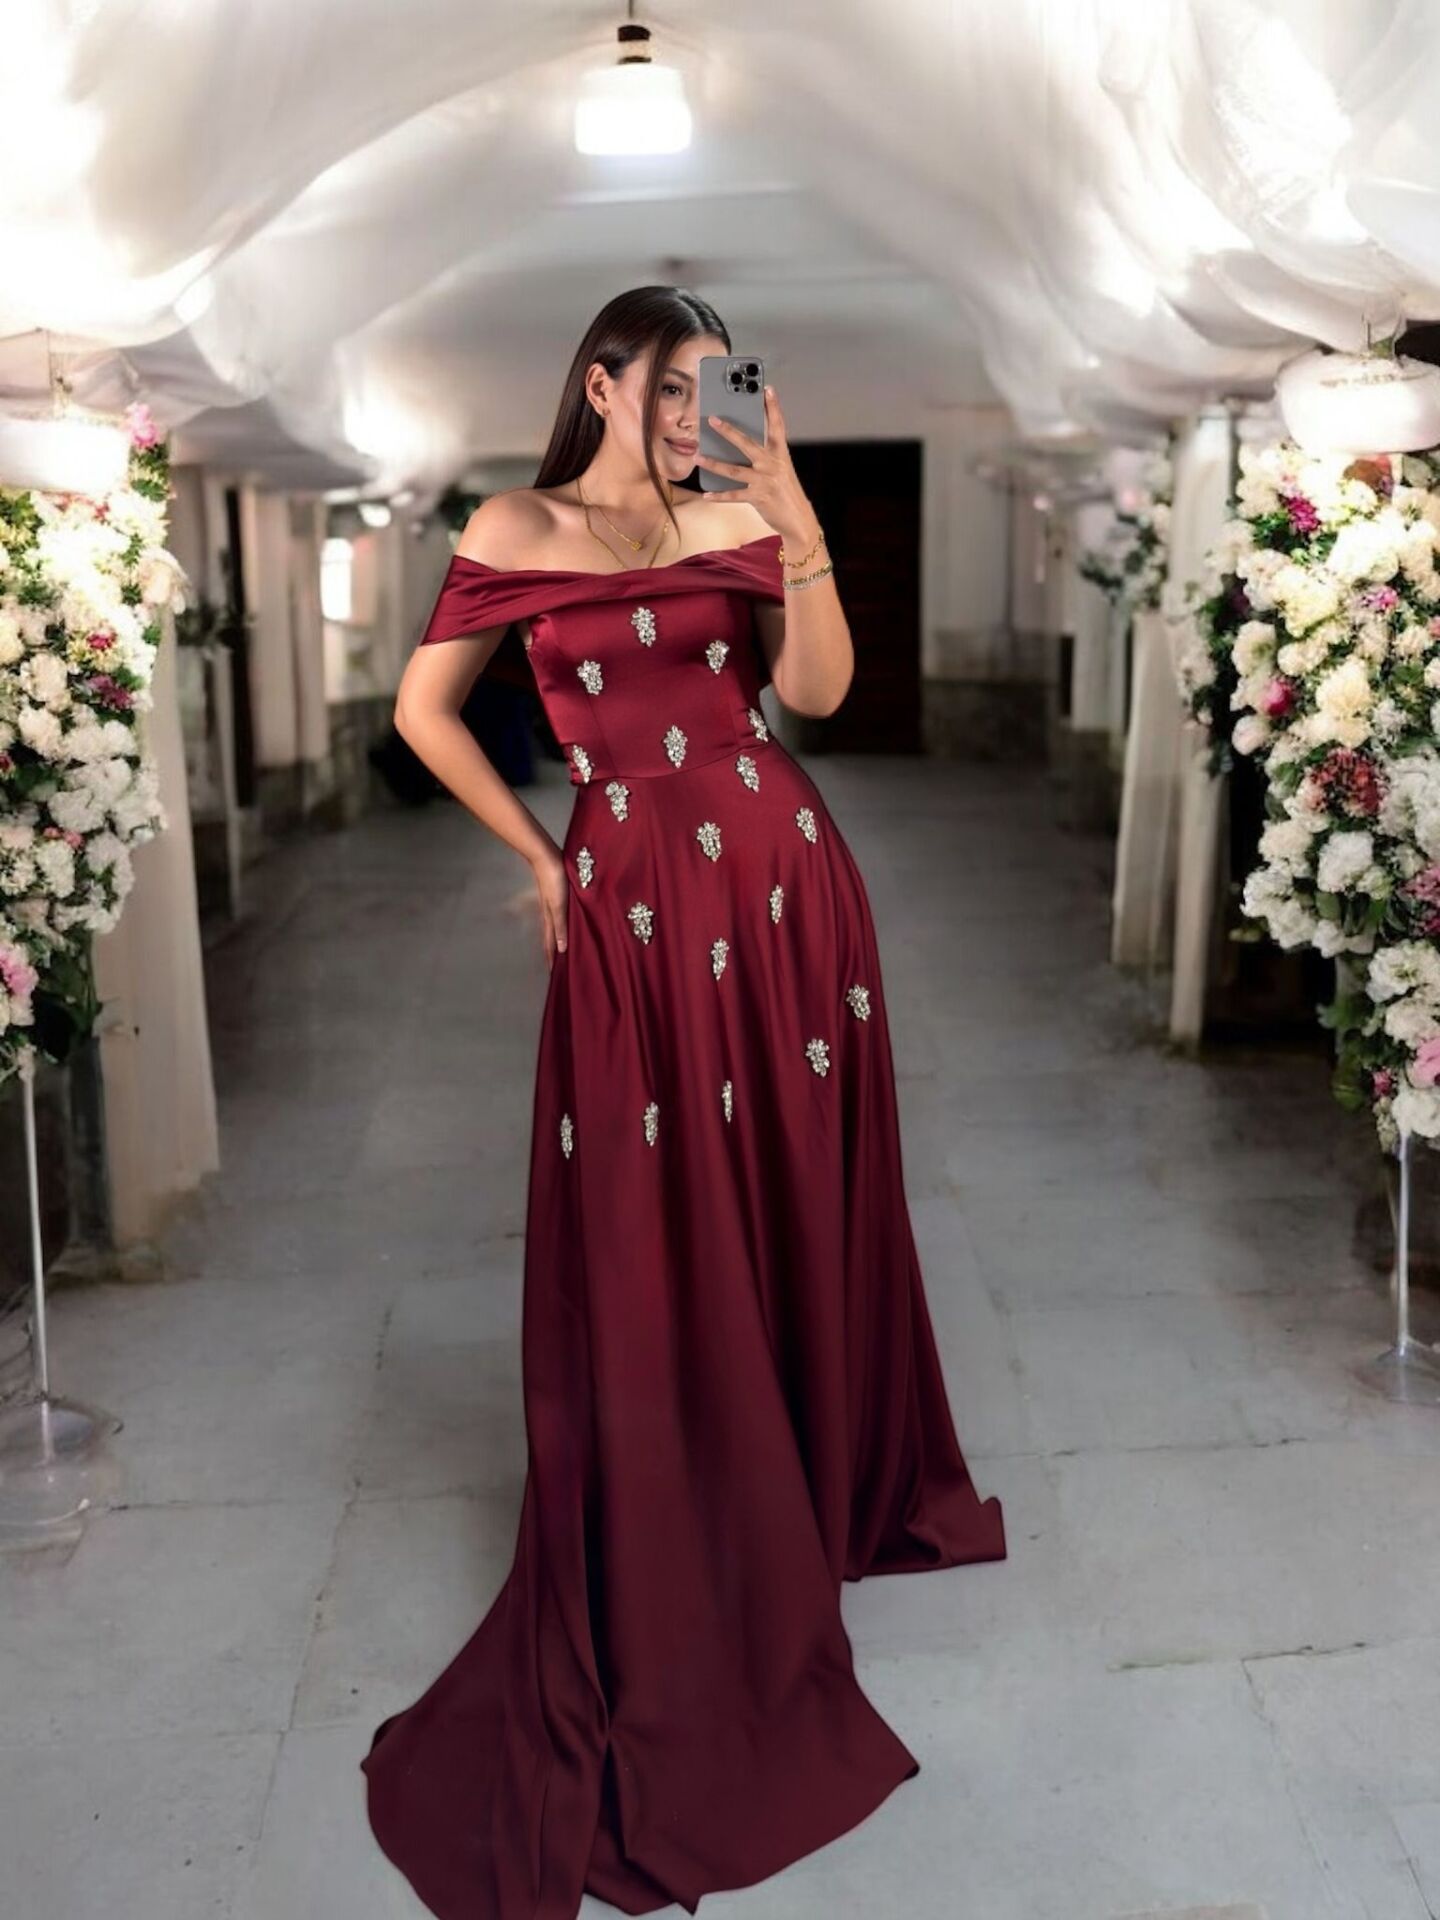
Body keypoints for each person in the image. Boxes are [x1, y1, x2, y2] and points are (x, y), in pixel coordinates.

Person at [361, 284, 1007, 1920]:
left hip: (781, 880)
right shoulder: (516, 525)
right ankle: (695, 1484)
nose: (688, 413)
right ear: (601, 379)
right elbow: (423, 714)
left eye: (713, 388)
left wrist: (791, 511)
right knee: (648, 1214)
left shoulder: (737, 512)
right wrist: (540, 861)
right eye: (668, 385)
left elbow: (823, 698)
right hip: (626, 894)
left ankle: (817, 1469)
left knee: (795, 1178)